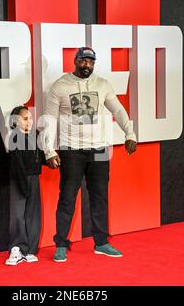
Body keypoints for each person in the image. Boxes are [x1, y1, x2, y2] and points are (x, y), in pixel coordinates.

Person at [42, 47, 137, 262]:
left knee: (100, 197)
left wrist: (130, 133)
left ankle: (101, 242)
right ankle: (61, 244)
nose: (88, 65)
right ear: (75, 61)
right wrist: (48, 150)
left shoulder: (102, 84)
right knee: (67, 198)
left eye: (91, 62)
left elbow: (118, 110)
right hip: (71, 149)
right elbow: (49, 120)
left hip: (100, 149)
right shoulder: (60, 86)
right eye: (84, 61)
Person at [5, 106, 45, 265]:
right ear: (15, 121)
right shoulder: (14, 137)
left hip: (34, 178)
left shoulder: (36, 135)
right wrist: (22, 183)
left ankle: (30, 250)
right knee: (17, 214)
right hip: (18, 179)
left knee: (33, 215)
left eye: (30, 118)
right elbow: (17, 164)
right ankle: (17, 248)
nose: (30, 121)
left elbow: (40, 157)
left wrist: (52, 160)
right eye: (25, 118)